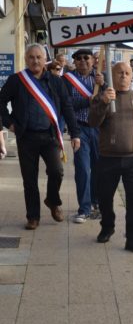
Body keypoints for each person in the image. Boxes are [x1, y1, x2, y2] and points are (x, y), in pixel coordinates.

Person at [0, 43, 81, 229]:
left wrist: (75, 133)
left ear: (46, 59)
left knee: (57, 171)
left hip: (50, 136)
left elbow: (67, 108)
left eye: (39, 57)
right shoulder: (16, 80)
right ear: (26, 59)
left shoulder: (56, 81)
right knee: (29, 179)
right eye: (31, 57)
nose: (35, 60)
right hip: (26, 137)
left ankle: (53, 200)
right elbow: (0, 102)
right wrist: (9, 123)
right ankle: (33, 216)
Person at [89, 62, 133, 253]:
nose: (123, 76)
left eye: (127, 73)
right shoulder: (102, 98)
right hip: (108, 157)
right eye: (119, 73)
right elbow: (93, 122)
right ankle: (107, 226)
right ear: (112, 75)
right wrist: (103, 102)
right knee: (105, 197)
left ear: (131, 76)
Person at [64, 48, 105, 224]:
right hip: (79, 129)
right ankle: (84, 208)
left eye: (86, 58)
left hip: (99, 129)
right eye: (78, 58)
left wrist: (103, 85)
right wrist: (87, 100)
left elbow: (113, 98)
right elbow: (66, 103)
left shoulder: (101, 78)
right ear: (74, 61)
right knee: (83, 169)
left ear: (93, 60)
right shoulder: (67, 80)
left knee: (99, 169)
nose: (83, 61)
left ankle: (97, 203)